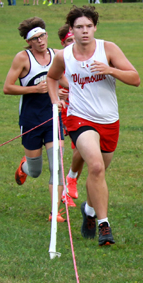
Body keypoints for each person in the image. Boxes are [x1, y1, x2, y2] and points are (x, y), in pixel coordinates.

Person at [47, 6, 141, 246]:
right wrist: (55, 99)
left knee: (99, 173)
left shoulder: (108, 49)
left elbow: (135, 79)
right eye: (79, 27)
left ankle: (89, 210)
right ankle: (104, 225)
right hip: (79, 118)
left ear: (95, 27)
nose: (85, 31)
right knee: (96, 166)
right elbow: (52, 77)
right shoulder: (64, 56)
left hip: (109, 120)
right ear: (71, 30)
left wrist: (110, 70)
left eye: (89, 26)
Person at [3, 18, 68, 222]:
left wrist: (67, 91)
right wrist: (35, 89)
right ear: (28, 42)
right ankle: (24, 167)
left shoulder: (57, 55)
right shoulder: (23, 58)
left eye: (42, 36)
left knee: (57, 166)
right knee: (35, 170)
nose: (40, 41)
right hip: (31, 119)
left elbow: (62, 80)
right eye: (35, 38)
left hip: (53, 118)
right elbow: (7, 87)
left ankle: (54, 212)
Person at [57, 24, 83, 204]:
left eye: (74, 39)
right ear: (63, 42)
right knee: (80, 147)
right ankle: (70, 181)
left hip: (84, 108)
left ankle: (69, 186)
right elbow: (54, 78)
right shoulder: (61, 58)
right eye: (69, 40)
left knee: (82, 150)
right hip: (66, 108)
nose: (73, 43)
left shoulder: (86, 56)